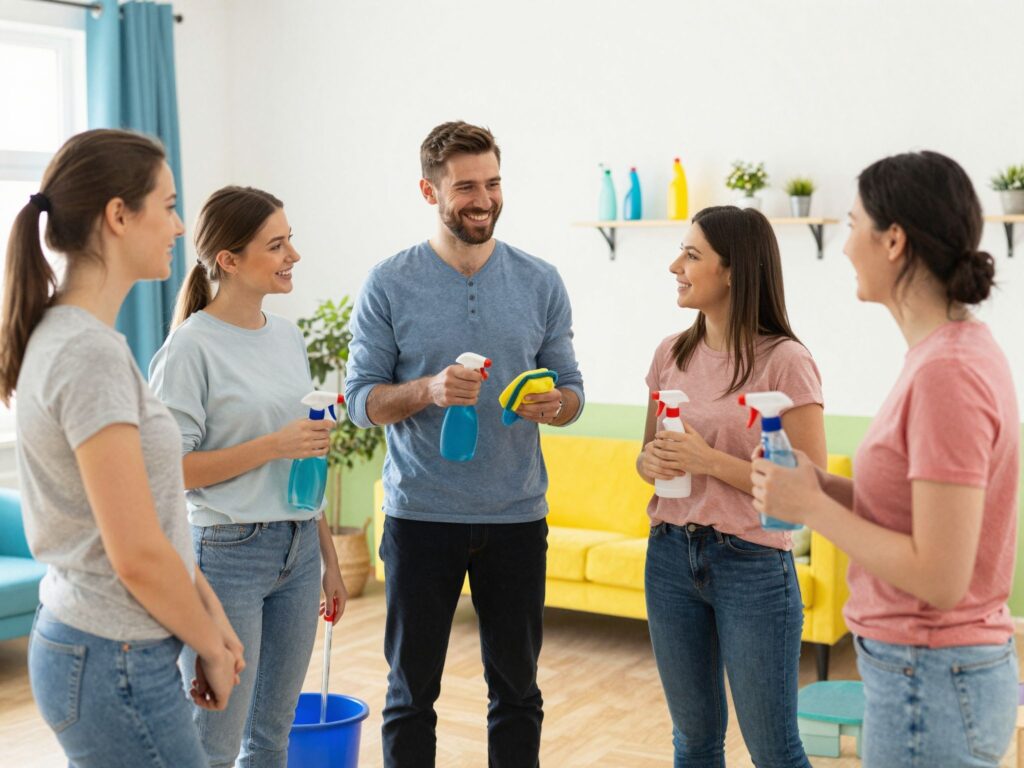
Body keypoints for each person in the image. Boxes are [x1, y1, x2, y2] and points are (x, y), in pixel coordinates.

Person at [752, 151, 1019, 768]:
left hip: (931, 676)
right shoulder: (949, 353)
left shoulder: (947, 373)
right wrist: (822, 487)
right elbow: (918, 516)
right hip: (931, 673)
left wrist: (811, 507)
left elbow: (940, 577)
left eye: (853, 225)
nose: (846, 246)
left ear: (893, 240)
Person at [345, 120, 584, 768]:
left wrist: (556, 405)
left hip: (516, 517)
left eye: (493, 183)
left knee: (518, 694)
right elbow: (360, 402)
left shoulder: (540, 280)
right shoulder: (388, 282)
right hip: (421, 516)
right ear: (430, 191)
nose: (484, 200)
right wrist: (428, 390)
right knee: (410, 695)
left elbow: (572, 392)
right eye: (466, 187)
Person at [2, 129, 243, 768]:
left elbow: (154, 519)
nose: (179, 225)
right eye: (168, 206)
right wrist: (210, 646)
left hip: (105, 647)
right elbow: (135, 553)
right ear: (118, 215)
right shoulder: (86, 352)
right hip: (114, 656)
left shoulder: (76, 338)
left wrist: (211, 620)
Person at [150, 185, 347, 768]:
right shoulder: (190, 349)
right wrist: (272, 445)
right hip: (226, 555)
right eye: (276, 245)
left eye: (291, 240)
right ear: (229, 261)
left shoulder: (287, 336)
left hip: (298, 550)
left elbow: (304, 456)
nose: (293, 255)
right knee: (213, 744)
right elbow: (169, 471)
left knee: (272, 738)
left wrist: (328, 558)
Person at [636, 206, 826, 767]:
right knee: (693, 742)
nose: (676, 265)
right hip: (669, 555)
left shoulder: (785, 361)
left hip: (752, 565)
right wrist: (653, 461)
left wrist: (710, 461)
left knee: (774, 750)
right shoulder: (671, 353)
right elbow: (646, 460)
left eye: (692, 254)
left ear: (734, 271)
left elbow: (810, 487)